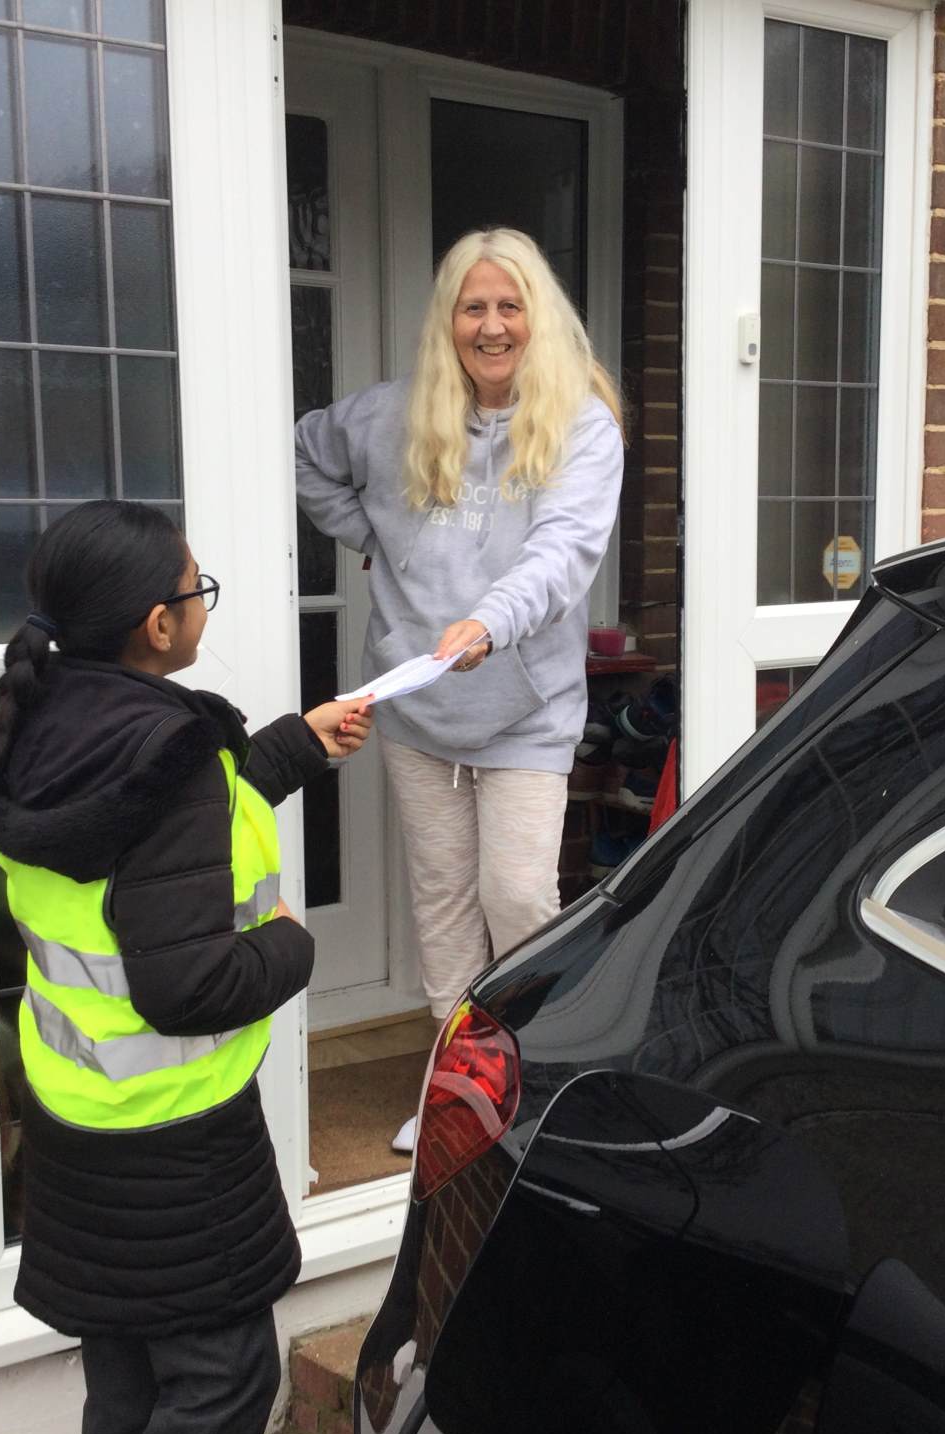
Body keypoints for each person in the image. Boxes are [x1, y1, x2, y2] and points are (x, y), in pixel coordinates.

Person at [0, 500, 373, 1434]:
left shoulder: (38, 726)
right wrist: (292, 942)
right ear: (157, 624)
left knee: (127, 1387)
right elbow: (188, 986)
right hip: (178, 1151)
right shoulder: (164, 754)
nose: (201, 606)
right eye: (197, 590)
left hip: (79, 1123)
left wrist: (298, 743)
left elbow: (142, 838)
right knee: (222, 1387)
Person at [294, 227, 625, 1150]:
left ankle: (532, 1078)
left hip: (525, 704)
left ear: (538, 317)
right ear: (448, 320)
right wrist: (369, 534)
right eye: (473, 308)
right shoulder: (392, 415)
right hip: (419, 709)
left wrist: (489, 620)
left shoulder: (581, 425)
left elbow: (564, 552)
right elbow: (303, 452)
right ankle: (457, 1085)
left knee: (516, 896)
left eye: (509, 306)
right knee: (441, 902)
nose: (491, 326)